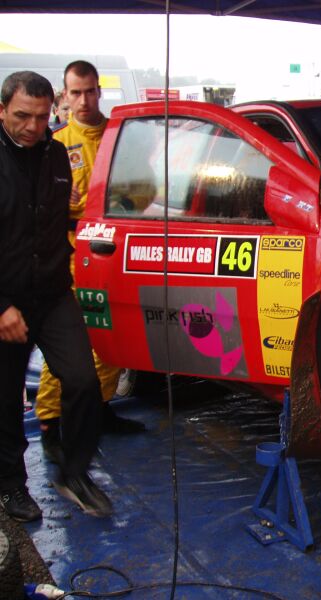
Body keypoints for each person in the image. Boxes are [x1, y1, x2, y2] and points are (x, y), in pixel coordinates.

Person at [0, 70, 112, 520]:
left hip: (52, 292)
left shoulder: (56, 154)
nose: (32, 127)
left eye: (42, 117)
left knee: (84, 380)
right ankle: (10, 486)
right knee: (7, 400)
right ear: (2, 110)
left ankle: (74, 471)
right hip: (6, 299)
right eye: (22, 116)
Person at [36, 60, 144, 466]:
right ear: (64, 96)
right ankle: (49, 419)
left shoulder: (123, 138)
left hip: (114, 252)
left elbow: (147, 187)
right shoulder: (56, 143)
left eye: (89, 91)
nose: (83, 100)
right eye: (74, 93)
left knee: (112, 334)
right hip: (70, 255)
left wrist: (122, 203)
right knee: (67, 342)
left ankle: (100, 408)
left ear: (100, 91)